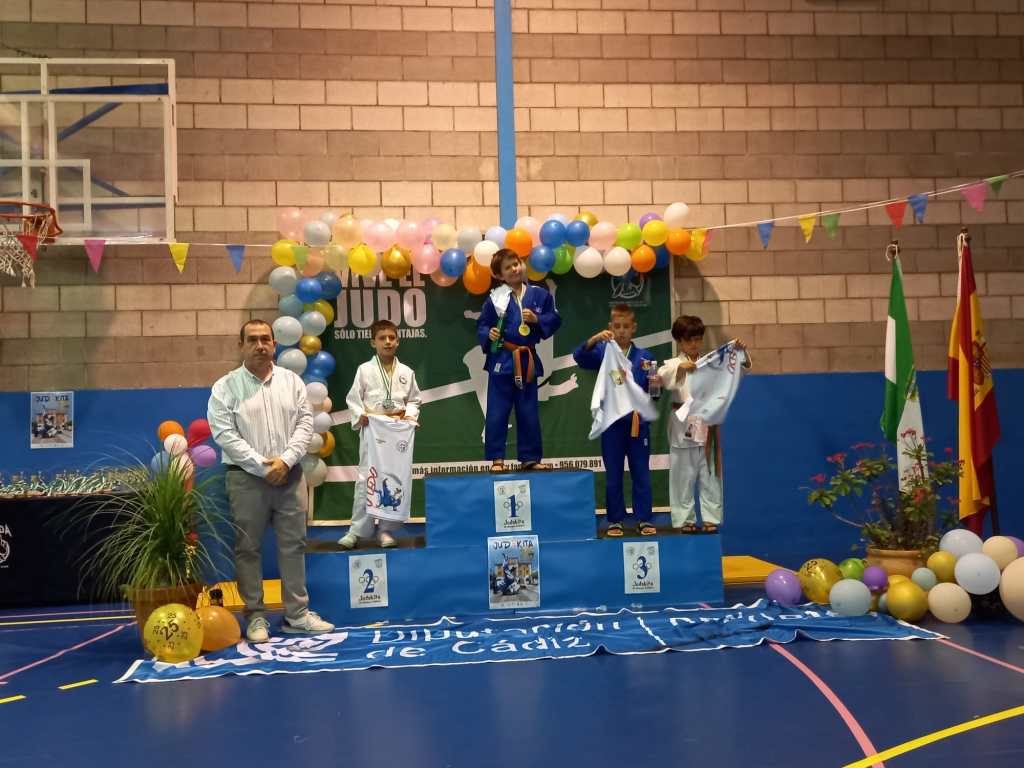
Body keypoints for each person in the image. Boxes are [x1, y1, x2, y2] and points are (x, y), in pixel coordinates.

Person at [208, 319, 334, 642]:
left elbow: (305, 425)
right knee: (247, 548)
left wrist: (286, 461)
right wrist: (263, 467)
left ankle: (297, 615)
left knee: (294, 546)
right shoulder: (225, 387)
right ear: (241, 346)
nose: (260, 345)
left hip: (290, 476)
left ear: (275, 345)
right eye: (252, 339)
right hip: (245, 479)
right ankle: (255, 618)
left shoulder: (292, 382)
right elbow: (224, 434)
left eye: (266, 339)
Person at [657, 315, 750, 534]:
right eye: (688, 340)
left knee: (709, 475)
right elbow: (661, 377)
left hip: (707, 424)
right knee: (682, 476)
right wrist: (681, 368)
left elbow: (738, 370)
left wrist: (740, 353)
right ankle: (685, 519)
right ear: (679, 341)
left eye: (698, 339)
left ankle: (710, 518)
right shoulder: (673, 364)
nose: (694, 344)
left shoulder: (711, 362)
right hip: (683, 425)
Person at [573, 304, 657, 536]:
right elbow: (579, 357)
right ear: (610, 327)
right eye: (617, 326)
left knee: (641, 473)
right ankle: (615, 520)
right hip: (612, 425)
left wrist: (655, 385)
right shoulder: (603, 352)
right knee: (613, 475)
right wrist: (594, 339)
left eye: (626, 327)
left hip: (638, 424)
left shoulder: (646, 357)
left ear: (634, 328)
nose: (621, 331)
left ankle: (644, 519)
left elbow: (654, 394)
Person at [476, 248, 561, 472]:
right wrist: (489, 333)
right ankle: (497, 458)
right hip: (502, 359)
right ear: (499, 275)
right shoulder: (496, 298)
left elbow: (554, 319)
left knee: (528, 412)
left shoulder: (539, 295)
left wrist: (537, 319)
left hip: (526, 359)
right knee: (497, 412)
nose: (514, 269)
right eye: (508, 267)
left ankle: (530, 458)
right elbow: (483, 324)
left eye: (516, 263)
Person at [340, 319, 421, 550]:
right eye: (382, 338)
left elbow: (414, 399)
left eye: (391, 338)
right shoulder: (364, 370)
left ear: (398, 341)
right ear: (372, 342)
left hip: (396, 429)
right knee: (367, 478)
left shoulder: (406, 372)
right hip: (373, 428)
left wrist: (410, 417)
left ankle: (386, 530)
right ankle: (356, 530)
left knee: (394, 478)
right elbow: (353, 398)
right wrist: (360, 415)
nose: (387, 342)